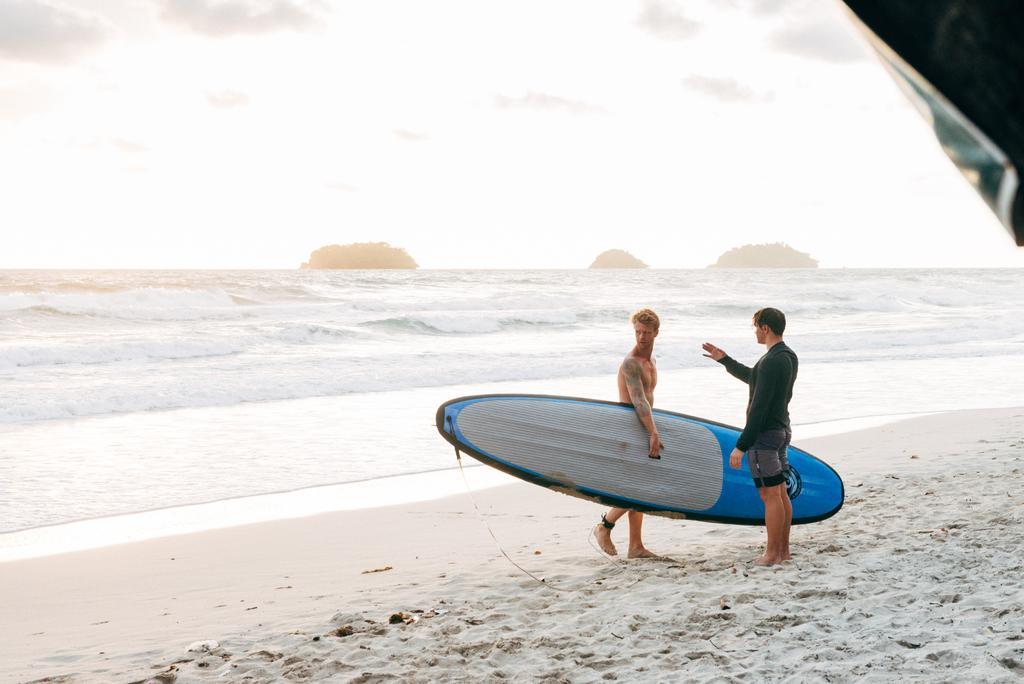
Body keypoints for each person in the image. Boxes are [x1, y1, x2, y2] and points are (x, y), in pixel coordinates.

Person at [702, 307, 798, 566]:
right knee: (779, 492)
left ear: (765, 327)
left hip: (765, 436)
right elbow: (755, 379)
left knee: (770, 495)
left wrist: (741, 446)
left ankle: (771, 554)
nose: (755, 331)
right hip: (781, 430)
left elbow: (759, 407)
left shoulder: (770, 361)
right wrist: (725, 360)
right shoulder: (787, 356)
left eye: (756, 326)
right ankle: (783, 552)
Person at [593, 308, 664, 559]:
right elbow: (639, 401)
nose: (641, 337)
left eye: (646, 332)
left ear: (656, 332)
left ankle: (635, 546)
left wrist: (654, 428)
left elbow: (650, 400)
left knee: (640, 484)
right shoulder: (631, 362)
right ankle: (605, 526)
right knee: (639, 487)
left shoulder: (652, 361)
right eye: (637, 332)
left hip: (643, 426)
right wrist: (653, 432)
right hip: (629, 428)